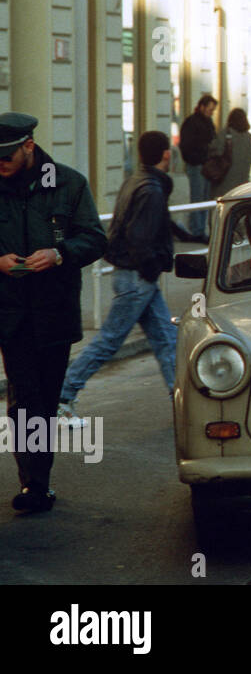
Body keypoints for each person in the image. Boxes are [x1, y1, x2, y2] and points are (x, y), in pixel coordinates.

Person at [0, 112, 107, 512]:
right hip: (11, 313)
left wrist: (59, 254)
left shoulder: (68, 183)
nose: (2, 164)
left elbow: (96, 239)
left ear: (29, 146)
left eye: (8, 155)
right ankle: (33, 485)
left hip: (55, 312)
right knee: (24, 397)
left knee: (44, 399)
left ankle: (38, 479)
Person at [58, 130, 198, 426]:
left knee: (166, 339)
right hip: (137, 277)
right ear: (166, 154)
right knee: (109, 341)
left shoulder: (137, 182)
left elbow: (153, 224)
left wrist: (190, 236)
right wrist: (151, 267)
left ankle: (186, 406)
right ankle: (62, 397)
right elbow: (139, 236)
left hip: (135, 276)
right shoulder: (152, 189)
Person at [179, 94, 218, 238]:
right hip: (197, 165)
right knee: (198, 198)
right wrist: (200, 155)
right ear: (202, 107)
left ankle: (200, 229)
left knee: (205, 198)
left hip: (206, 165)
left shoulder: (208, 122)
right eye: (209, 110)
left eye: (212, 110)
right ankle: (197, 230)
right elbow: (187, 146)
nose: (211, 113)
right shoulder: (192, 122)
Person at [208, 107, 251, 199]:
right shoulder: (250, 138)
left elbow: (214, 152)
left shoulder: (225, 134)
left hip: (224, 183)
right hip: (242, 184)